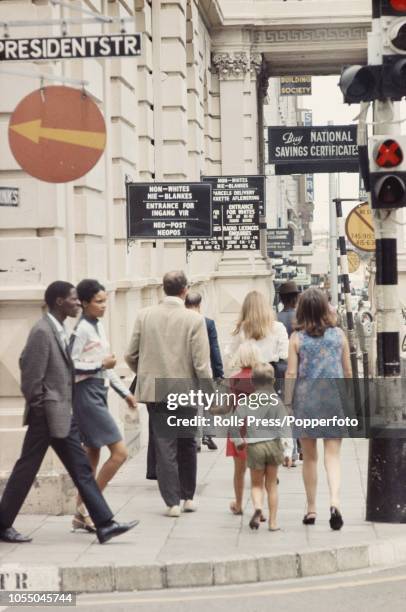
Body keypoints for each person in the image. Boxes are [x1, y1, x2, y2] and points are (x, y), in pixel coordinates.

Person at [0, 281, 138, 544]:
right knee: (26, 469)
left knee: (82, 469)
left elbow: (64, 369)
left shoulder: (59, 328)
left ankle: (105, 523)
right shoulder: (42, 331)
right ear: (59, 302)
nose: (78, 303)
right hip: (47, 416)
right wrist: (42, 408)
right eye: (73, 299)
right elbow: (30, 375)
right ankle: (3, 523)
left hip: (61, 415)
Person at [125, 271, 213, 517]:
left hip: (155, 389)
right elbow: (201, 364)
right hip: (185, 388)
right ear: (185, 290)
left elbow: (130, 355)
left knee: (164, 445)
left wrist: (145, 373)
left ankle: (171, 501)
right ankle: (188, 497)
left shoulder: (144, 316)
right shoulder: (195, 320)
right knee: (186, 443)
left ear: (163, 289)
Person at [70, 279, 137, 532]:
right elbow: (71, 366)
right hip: (86, 396)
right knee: (120, 453)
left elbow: (104, 365)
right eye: (98, 302)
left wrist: (124, 393)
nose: (103, 306)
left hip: (98, 393)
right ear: (85, 303)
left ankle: (81, 513)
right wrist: (101, 366)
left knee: (93, 454)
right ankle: (90, 507)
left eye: (104, 301)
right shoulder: (82, 330)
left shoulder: (97, 326)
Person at [285, 287, 352, 531]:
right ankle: (334, 501)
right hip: (333, 399)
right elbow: (347, 372)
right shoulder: (339, 336)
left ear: (302, 310)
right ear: (325, 308)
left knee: (310, 457)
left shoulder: (297, 338)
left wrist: (288, 402)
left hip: (307, 402)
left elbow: (291, 373)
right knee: (333, 456)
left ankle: (311, 508)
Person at [231, 363, 292, 531]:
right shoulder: (277, 402)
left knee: (257, 485)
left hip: (254, 446)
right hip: (274, 446)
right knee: (271, 485)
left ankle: (258, 507)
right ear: (273, 381)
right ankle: (273, 523)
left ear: (252, 382)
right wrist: (288, 451)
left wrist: (238, 442)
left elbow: (233, 425)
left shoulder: (247, 401)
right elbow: (285, 427)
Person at [185, 290, 224, 451]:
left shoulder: (182, 321)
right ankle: (207, 434)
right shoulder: (207, 323)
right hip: (204, 366)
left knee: (196, 403)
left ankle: (197, 437)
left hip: (186, 368)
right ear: (199, 304)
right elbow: (214, 348)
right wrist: (218, 371)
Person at [227, 342, 262, 517]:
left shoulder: (234, 379)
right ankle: (259, 508)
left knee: (239, 471)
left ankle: (239, 504)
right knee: (259, 471)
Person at [277, 281, 301, 466]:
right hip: (298, 369)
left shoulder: (275, 319)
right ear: (296, 298)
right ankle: (298, 449)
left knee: (285, 411)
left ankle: (290, 450)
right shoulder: (300, 320)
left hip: (279, 369)